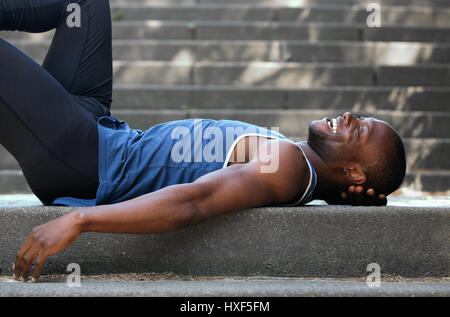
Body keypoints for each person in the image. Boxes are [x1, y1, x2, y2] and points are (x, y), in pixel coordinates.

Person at [0, 0, 406, 283]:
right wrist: (343, 193)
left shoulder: (287, 168)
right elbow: (327, 180)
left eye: (361, 130)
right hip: (100, 128)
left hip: (83, 159)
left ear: (353, 169)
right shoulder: (302, 163)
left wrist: (80, 220)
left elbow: (193, 203)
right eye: (362, 118)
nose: (351, 117)